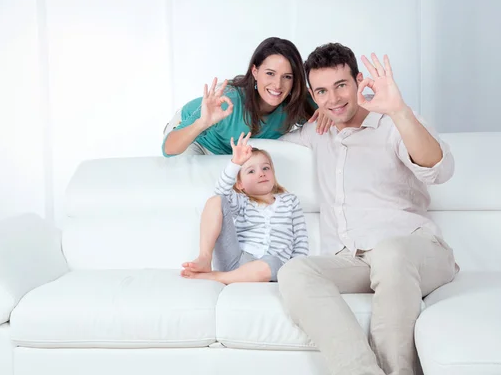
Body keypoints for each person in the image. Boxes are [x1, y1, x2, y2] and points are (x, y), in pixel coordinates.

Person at [277, 43, 459, 375]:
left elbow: (438, 169)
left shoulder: (393, 121)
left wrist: (400, 111)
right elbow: (263, 142)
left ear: (359, 81)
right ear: (313, 95)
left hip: (417, 250)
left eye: (341, 85)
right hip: (354, 258)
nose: (333, 98)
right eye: (322, 91)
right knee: (295, 272)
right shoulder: (315, 133)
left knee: (390, 253)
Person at [162, 37, 333, 157]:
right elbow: (168, 148)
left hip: (232, 153)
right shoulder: (229, 102)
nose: (278, 85)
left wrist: (326, 109)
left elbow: (339, 110)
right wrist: (202, 123)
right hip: (197, 138)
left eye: (287, 76)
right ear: (255, 72)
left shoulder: (297, 100)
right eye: (270, 73)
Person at [181, 132, 309, 284]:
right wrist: (235, 163)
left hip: (268, 268)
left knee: (272, 264)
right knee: (216, 200)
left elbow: (301, 241)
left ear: (273, 174)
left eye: (266, 168)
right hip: (235, 260)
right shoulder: (241, 201)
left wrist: (297, 271)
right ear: (240, 185)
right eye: (251, 171)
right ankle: (204, 258)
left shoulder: (290, 201)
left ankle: (217, 277)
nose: (261, 174)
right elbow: (221, 192)